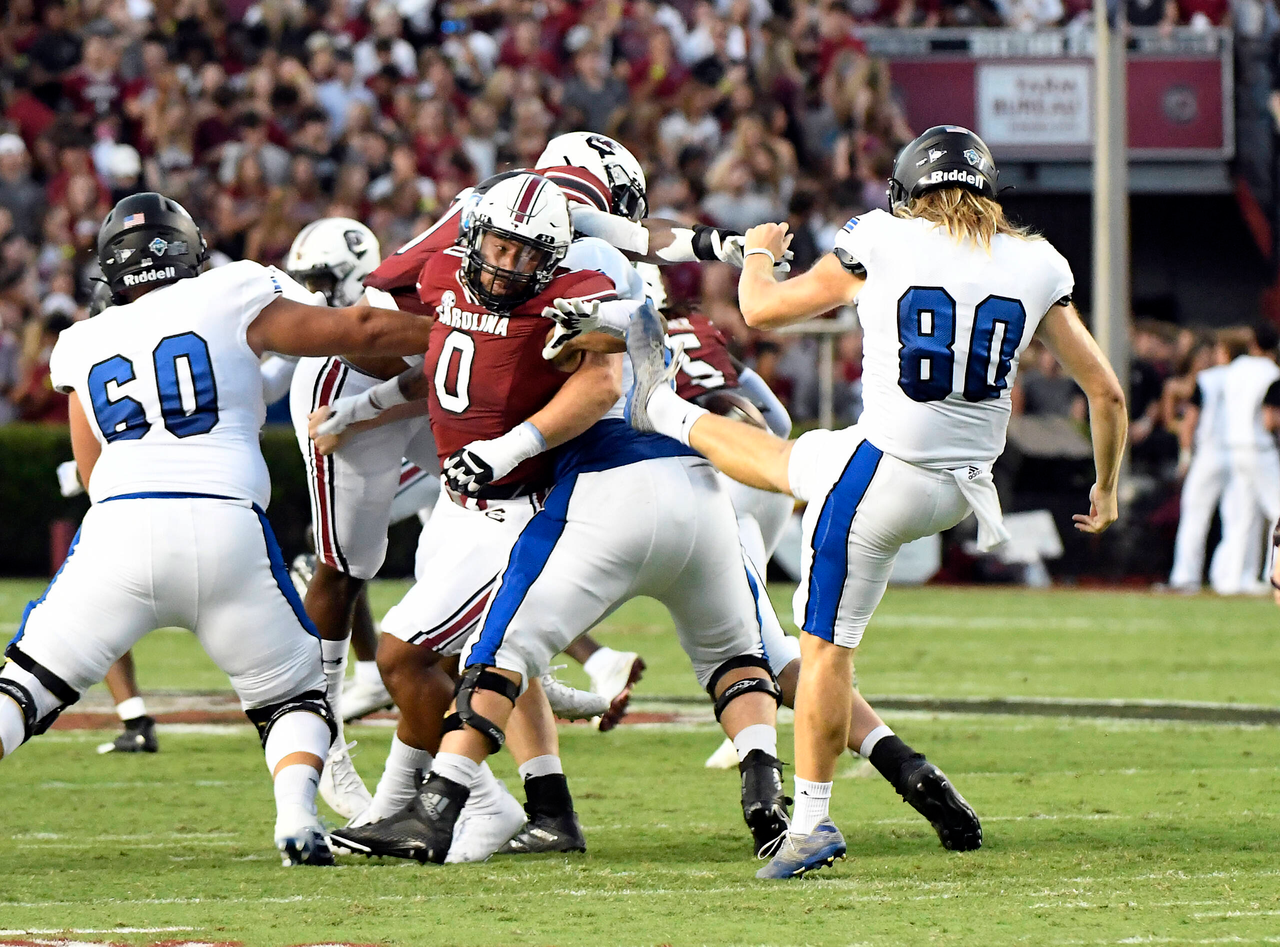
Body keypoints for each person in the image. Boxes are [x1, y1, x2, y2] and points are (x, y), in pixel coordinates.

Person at [625, 125, 1128, 879]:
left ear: (906, 191)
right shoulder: (1038, 261)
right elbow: (1106, 391)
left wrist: (757, 248)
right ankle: (661, 408)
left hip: (883, 477)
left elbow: (760, 310)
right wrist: (1107, 484)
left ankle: (812, 822)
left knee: (824, 652)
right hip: (959, 487)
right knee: (791, 462)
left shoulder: (882, 236)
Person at [331, 186, 792, 868]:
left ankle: (432, 813)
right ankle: (765, 792)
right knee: (738, 656)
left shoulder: (577, 286)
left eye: (524, 253)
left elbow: (621, 348)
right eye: (496, 246)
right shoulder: (446, 271)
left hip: (562, 497)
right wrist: (362, 406)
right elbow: (437, 352)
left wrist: (507, 447)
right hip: (682, 487)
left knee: (491, 654)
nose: (504, 264)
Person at [0, 191, 435, 866]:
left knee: (24, 686)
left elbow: (91, 471)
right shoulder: (233, 288)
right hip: (224, 521)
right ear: (189, 249)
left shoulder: (80, 342)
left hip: (118, 527)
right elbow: (364, 335)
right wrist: (469, 331)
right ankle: (295, 817)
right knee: (295, 694)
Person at [1167, 330, 1247, 593]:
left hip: (1210, 453)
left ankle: (1185, 576)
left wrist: (1186, 455)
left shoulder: (1208, 378)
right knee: (1236, 519)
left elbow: (1190, 421)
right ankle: (1229, 578)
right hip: (1240, 454)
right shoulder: (1245, 379)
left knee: (1195, 516)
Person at [1213, 322, 1280, 595]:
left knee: (1243, 517)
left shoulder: (1235, 369)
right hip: (1259, 449)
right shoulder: (1272, 373)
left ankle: (1234, 579)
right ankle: (1272, 574)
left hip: (1233, 447)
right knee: (1277, 513)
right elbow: (1268, 420)